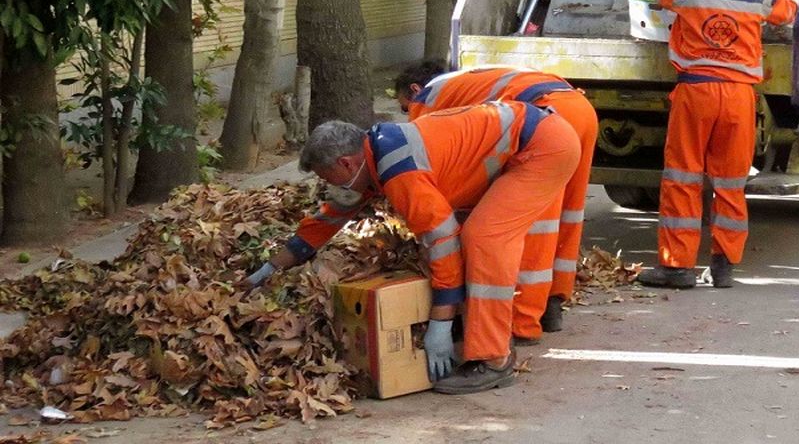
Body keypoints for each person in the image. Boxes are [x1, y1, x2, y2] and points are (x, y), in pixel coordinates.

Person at [238, 101, 580, 395]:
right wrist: (270, 269)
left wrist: (440, 322)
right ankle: (476, 330)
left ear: (346, 163)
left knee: (482, 237)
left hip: (542, 147)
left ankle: (495, 360)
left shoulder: (398, 171)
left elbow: (443, 241)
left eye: (328, 178)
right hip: (534, 139)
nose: (329, 186)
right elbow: (327, 219)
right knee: (470, 235)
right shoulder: (373, 156)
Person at [637, 0, 798, 290]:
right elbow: (787, 11)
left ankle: (677, 268)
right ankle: (723, 267)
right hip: (740, 96)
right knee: (730, 182)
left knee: (683, 178)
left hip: (696, 91)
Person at [395, 61, 598, 342]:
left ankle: (521, 321)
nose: (409, 115)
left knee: (534, 226)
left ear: (414, 90)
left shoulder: (427, 99)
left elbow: (430, 161)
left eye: (406, 108)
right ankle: (553, 302)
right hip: (579, 108)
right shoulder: (468, 80)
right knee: (568, 211)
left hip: (546, 119)